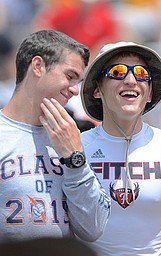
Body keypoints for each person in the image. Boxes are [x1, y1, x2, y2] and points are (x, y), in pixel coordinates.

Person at [80, 41, 161, 255]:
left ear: (150, 93)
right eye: (117, 72)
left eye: (141, 73)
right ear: (97, 90)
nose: (130, 80)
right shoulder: (76, 148)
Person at [0, 29, 111, 243]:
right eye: (70, 77)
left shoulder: (75, 135)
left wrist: (75, 160)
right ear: (38, 66)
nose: (75, 90)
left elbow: (94, 228)